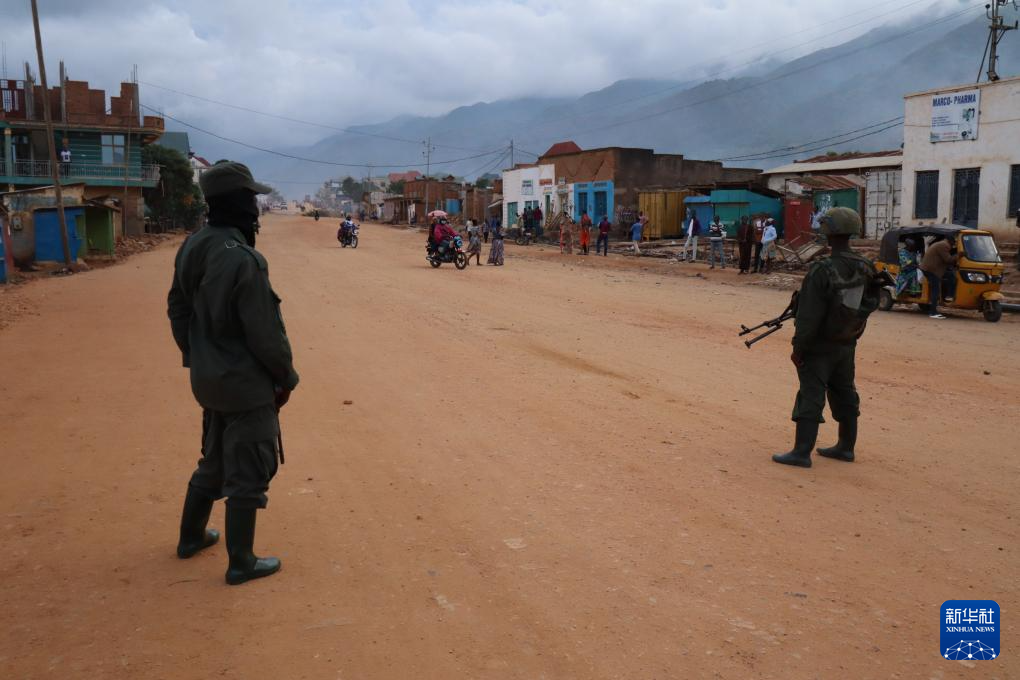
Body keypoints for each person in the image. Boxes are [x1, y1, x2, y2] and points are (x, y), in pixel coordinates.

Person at [167, 161, 298, 585]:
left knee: (215, 458)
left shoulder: (193, 245)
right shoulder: (245, 260)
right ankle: (241, 561)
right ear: (240, 203)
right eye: (251, 199)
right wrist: (286, 378)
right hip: (245, 385)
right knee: (249, 468)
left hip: (209, 380)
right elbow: (266, 334)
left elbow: (177, 308)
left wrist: (198, 354)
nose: (255, 208)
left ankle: (191, 537)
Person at [772, 207, 880, 469]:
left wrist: (799, 348)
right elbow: (869, 302)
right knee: (845, 391)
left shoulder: (822, 269)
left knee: (811, 393)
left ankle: (801, 452)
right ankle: (846, 447)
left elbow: (809, 316)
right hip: (846, 342)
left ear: (829, 232)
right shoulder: (865, 266)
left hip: (819, 345)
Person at [920, 235, 957, 319]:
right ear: (950, 242)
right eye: (954, 243)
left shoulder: (941, 244)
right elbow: (948, 259)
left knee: (951, 276)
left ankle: (948, 295)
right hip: (932, 270)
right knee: (935, 290)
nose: (953, 245)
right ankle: (933, 312)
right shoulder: (944, 245)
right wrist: (958, 255)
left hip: (930, 268)